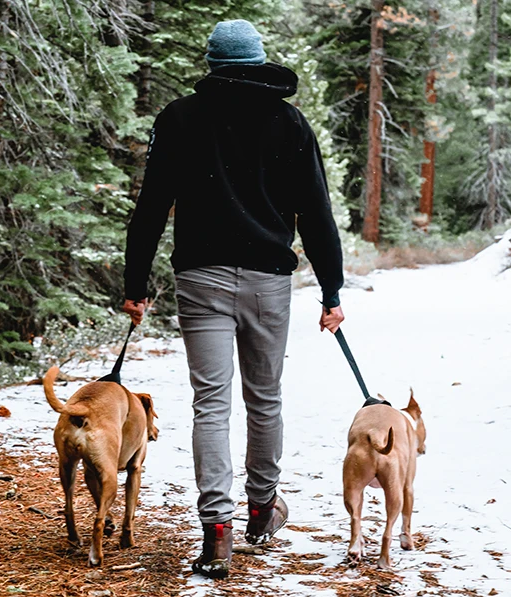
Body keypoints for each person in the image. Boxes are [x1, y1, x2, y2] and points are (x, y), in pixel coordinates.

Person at [122, 19, 345, 579]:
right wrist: (331, 290)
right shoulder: (289, 121)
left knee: (211, 404)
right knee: (264, 399)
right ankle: (263, 508)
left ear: (212, 63)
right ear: (259, 60)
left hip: (201, 278)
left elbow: (150, 207)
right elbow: (316, 212)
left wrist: (135, 285)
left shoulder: (179, 119)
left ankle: (216, 531)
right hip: (270, 281)